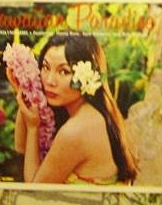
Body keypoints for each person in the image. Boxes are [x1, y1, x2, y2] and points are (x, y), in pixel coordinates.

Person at [9, 34, 138, 185]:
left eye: (64, 71)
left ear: (87, 77)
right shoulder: (92, 111)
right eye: (46, 67)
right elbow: (21, 149)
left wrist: (33, 127)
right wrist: (28, 91)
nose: (50, 80)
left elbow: (35, 189)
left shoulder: (75, 130)